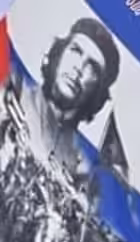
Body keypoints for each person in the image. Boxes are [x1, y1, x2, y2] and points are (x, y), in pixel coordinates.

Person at [7, 18, 121, 182]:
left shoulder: (80, 168)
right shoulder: (13, 88)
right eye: (76, 51)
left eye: (93, 67)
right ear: (58, 52)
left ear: (98, 93)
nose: (79, 68)